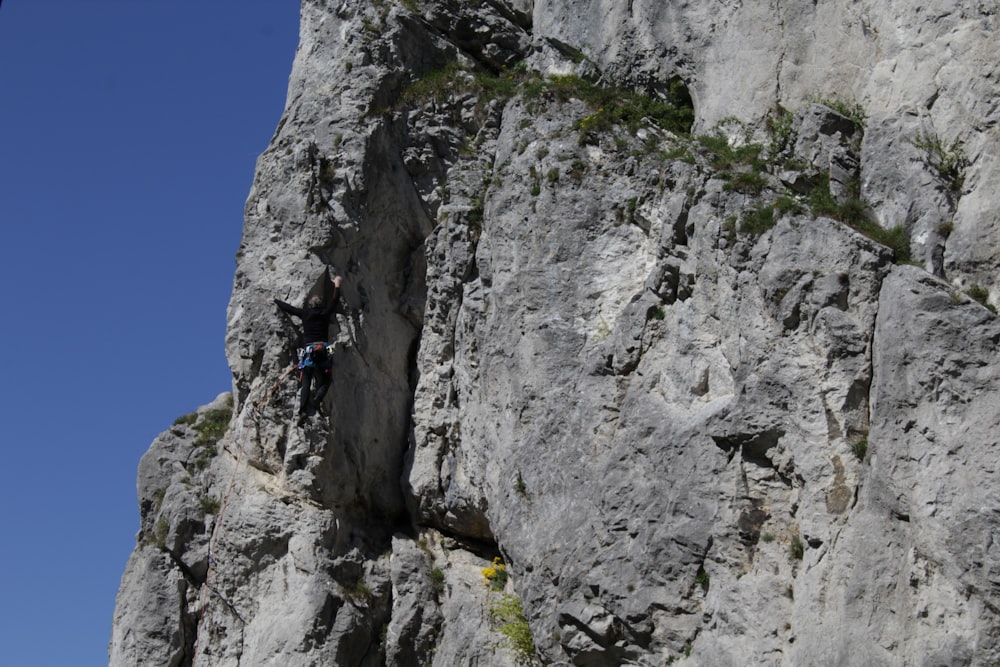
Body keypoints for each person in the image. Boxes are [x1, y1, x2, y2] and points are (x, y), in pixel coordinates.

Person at [274, 274, 342, 425]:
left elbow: (289, 309)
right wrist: (337, 284)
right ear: (321, 305)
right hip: (325, 349)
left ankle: (302, 411)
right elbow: (335, 300)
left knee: (306, 381)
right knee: (326, 380)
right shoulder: (325, 313)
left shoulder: (305, 314)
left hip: (309, 351)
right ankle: (317, 399)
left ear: (310, 306)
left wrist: (275, 300)